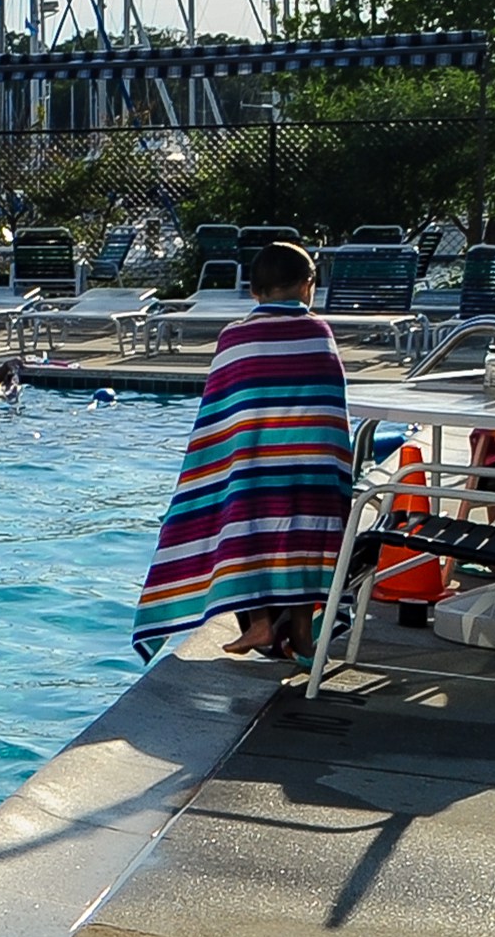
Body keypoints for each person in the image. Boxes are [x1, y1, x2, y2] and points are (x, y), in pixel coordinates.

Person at [130, 237, 351, 666]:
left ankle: (262, 620)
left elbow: (218, 424)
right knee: (305, 527)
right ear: (310, 286)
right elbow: (331, 415)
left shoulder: (235, 338)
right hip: (316, 479)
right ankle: (302, 633)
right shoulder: (320, 333)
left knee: (241, 504)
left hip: (256, 481)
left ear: (252, 292)